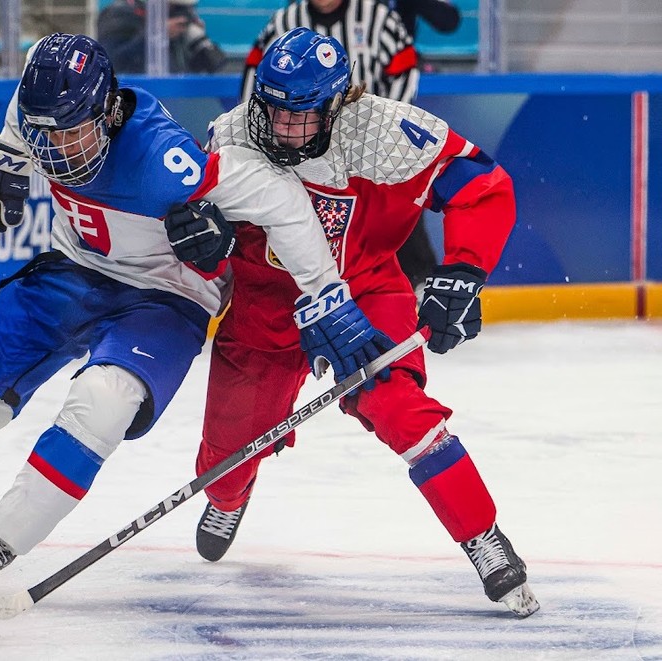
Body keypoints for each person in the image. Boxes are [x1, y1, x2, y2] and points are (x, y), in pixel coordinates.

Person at [0, 32, 386, 594]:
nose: (58, 150)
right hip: (72, 271)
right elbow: (24, 116)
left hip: (166, 295)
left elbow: (284, 202)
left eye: (72, 131)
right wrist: (4, 150)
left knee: (101, 404)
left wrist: (324, 293)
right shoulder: (42, 110)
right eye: (45, 133)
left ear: (109, 110)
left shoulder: (166, 161)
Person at [178, 28, 538, 616]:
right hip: (267, 304)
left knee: (399, 405)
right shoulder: (233, 133)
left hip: (366, 289)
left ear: (339, 102)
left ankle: (483, 536)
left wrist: (463, 271)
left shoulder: (388, 133)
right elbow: (192, 218)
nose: (284, 128)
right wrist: (205, 238)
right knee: (226, 455)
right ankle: (229, 492)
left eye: (303, 115)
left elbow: (482, 187)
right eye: (275, 109)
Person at [240, 0, 438, 293]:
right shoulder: (285, 21)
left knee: (395, 208)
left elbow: (405, 69)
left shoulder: (378, 17)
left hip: (366, 142)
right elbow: (257, 76)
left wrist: (386, 128)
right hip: (301, 144)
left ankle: (418, 282)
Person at [97, 0, 227, 74]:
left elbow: (211, 67)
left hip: (177, 96)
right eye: (176, 7)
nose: (183, 14)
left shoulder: (177, 25)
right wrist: (154, 35)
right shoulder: (119, 15)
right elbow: (112, 61)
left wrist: (199, 41)